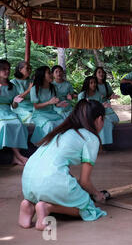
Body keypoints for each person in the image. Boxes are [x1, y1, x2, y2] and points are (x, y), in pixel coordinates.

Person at [19, 99, 107, 231]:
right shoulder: (90, 138)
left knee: (58, 190)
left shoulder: (61, 132)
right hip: (51, 182)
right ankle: (47, 207)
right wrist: (97, 194)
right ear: (100, 119)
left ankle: (28, 204)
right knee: (88, 209)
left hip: (27, 182)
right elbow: (84, 182)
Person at [0, 59, 29, 165]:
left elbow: (14, 106)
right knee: (4, 125)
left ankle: (16, 157)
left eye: (8, 69)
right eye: (4, 69)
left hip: (7, 111)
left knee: (19, 125)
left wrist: (15, 101)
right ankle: (18, 156)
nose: (7, 71)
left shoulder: (12, 87)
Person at [30, 66, 65, 145]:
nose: (51, 75)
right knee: (49, 125)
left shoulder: (53, 87)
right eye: (49, 73)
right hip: (39, 115)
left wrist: (59, 104)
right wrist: (49, 102)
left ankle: (58, 145)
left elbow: (54, 103)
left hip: (51, 113)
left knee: (63, 123)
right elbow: (36, 106)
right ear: (42, 75)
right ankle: (43, 145)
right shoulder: (35, 89)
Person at [78, 76, 117, 145]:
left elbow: (101, 107)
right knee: (97, 124)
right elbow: (81, 109)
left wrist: (104, 105)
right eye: (91, 83)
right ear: (87, 84)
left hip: (97, 116)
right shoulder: (82, 95)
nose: (94, 84)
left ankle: (103, 144)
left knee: (107, 123)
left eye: (95, 82)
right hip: (86, 116)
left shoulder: (98, 94)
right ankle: (97, 145)